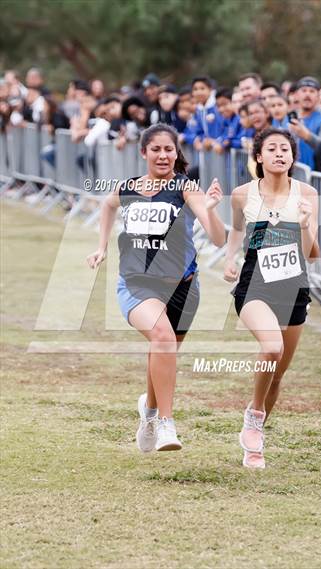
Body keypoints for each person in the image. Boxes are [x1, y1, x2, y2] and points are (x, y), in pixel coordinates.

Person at [87, 123, 225, 452]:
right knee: (162, 338)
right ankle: (165, 423)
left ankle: (148, 412)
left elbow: (218, 239)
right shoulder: (128, 187)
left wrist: (212, 210)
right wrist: (102, 246)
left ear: (177, 153)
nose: (163, 155)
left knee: (163, 351)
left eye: (169, 149)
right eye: (156, 149)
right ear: (144, 152)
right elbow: (107, 206)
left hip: (183, 288)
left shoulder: (186, 188)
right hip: (137, 283)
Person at [224, 128, 319, 468]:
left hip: (294, 288)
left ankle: (255, 442)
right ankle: (254, 414)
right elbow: (237, 229)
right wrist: (230, 258)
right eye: (272, 149)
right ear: (259, 157)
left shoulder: (306, 193)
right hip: (255, 286)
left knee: (277, 374)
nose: (280, 154)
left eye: (286, 149)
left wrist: (306, 225)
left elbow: (312, 253)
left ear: (293, 158)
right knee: (271, 348)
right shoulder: (242, 194)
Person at [288, 76, 321, 169]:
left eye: (312, 91)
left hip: (315, 176)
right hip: (291, 173)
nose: (307, 95)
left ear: (318, 96)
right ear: (296, 95)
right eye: (304, 90)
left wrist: (307, 136)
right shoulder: (289, 116)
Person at [214, 87, 242, 152]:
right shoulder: (226, 120)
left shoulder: (240, 120)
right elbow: (223, 136)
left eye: (224, 104)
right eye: (218, 106)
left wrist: (228, 143)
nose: (221, 109)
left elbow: (242, 141)